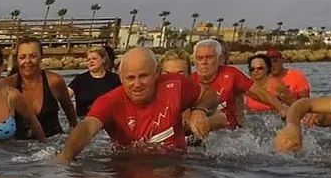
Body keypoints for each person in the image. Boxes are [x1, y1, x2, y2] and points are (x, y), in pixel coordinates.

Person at [57, 47, 219, 163]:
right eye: (130, 78)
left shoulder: (175, 86)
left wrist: (200, 110)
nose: (137, 84)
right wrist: (65, 157)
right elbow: (86, 128)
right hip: (129, 166)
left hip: (177, 165)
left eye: (143, 76)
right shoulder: (109, 101)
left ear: (156, 73)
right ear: (120, 78)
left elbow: (209, 94)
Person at [190, 39, 289, 129]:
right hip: (204, 129)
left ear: (218, 59)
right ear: (194, 61)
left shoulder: (231, 74)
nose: (204, 62)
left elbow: (258, 92)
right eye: (199, 58)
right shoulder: (190, 81)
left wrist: (280, 108)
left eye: (209, 57)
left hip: (231, 132)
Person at [5, 37, 77, 139]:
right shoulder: (8, 85)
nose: (28, 61)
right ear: (17, 59)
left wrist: (74, 133)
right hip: (18, 147)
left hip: (53, 143)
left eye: (33, 56)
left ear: (41, 57)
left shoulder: (54, 81)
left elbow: (69, 109)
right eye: (22, 57)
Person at [68, 47, 121, 118]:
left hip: (110, 121)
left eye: (94, 59)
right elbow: (65, 97)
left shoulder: (115, 79)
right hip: (85, 121)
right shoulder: (79, 80)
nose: (91, 61)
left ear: (103, 60)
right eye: (88, 59)